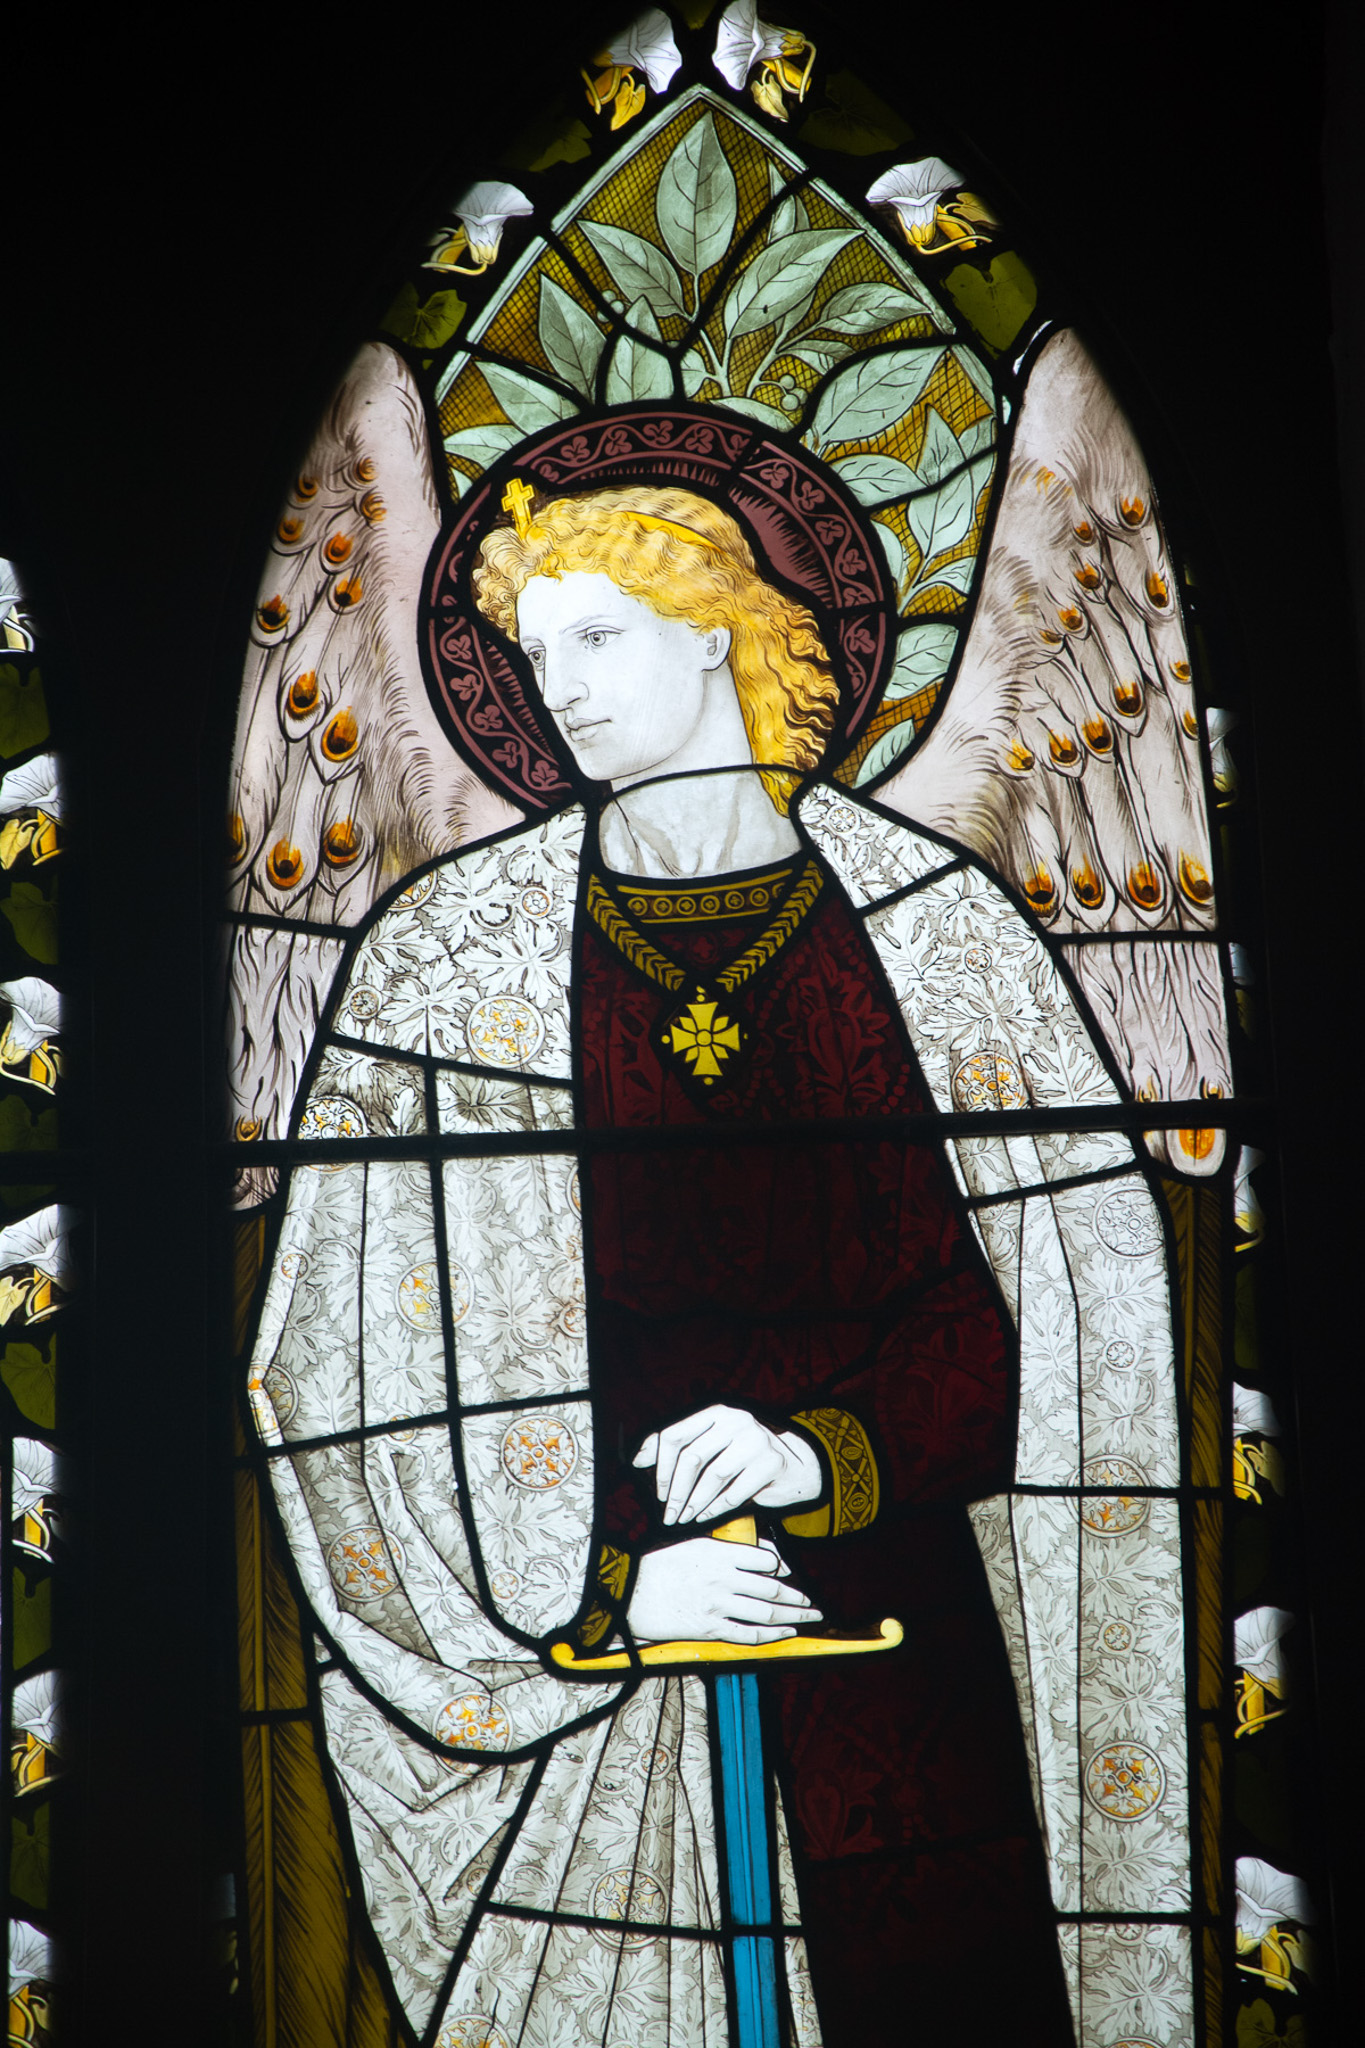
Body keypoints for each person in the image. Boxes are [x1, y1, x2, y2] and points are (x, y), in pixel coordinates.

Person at [249, 480, 1164, 2046]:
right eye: (537, 658)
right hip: (596, 1657)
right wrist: (608, 1594)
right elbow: (338, 1383)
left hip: (898, 1660)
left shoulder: (936, 934)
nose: (562, 688)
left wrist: (811, 1457)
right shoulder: (444, 961)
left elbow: (1050, 1320)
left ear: (717, 631)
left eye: (599, 639)